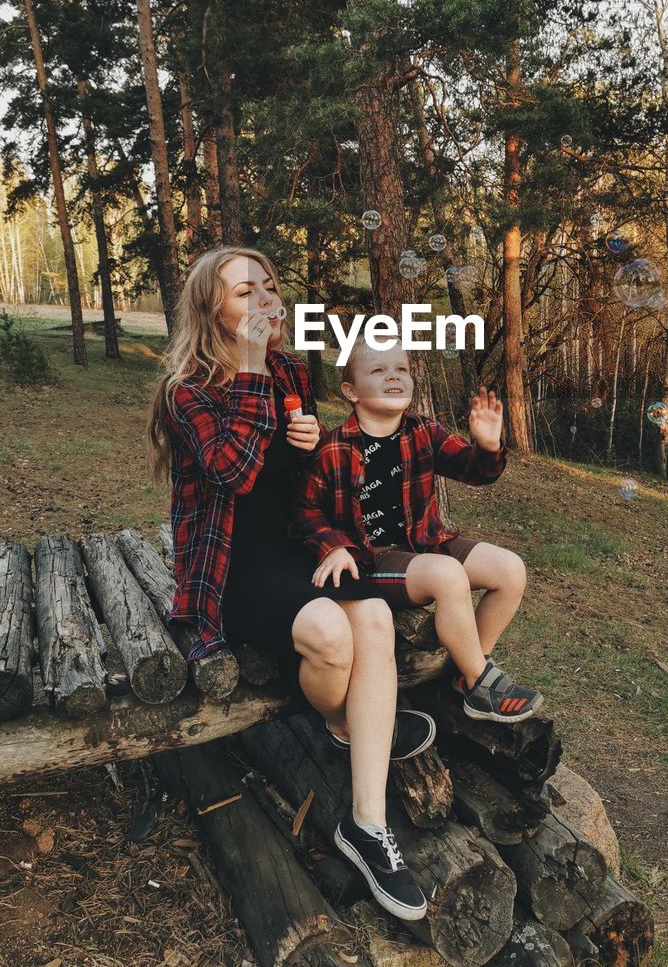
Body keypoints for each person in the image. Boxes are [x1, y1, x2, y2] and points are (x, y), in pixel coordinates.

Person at [148, 247, 433, 921]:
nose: (264, 301)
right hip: (228, 572)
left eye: (269, 288)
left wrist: (311, 453)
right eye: (245, 291)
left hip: (293, 553)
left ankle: (366, 824)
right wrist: (250, 372)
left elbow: (300, 491)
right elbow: (235, 474)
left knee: (373, 620)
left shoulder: (285, 373)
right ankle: (348, 722)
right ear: (210, 308)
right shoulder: (187, 390)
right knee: (335, 633)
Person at [291, 337, 544, 722]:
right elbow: (305, 510)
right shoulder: (334, 447)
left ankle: (467, 670)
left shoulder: (424, 432)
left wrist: (488, 446)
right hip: (376, 559)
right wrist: (334, 546)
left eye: (401, 369)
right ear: (350, 391)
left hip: (428, 540)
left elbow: (473, 470)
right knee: (447, 575)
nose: (393, 376)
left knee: (510, 570)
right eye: (378, 370)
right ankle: (481, 685)